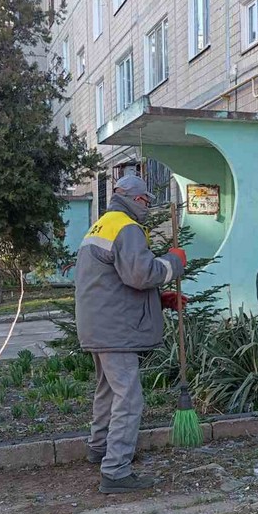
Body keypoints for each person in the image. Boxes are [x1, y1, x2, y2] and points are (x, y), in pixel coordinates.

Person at [75, 174, 186, 494]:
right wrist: (174, 263)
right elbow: (142, 273)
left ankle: (99, 449)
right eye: (147, 203)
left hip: (98, 325)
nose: (148, 209)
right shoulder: (128, 227)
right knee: (129, 396)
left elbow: (111, 281)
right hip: (115, 330)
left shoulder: (101, 226)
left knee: (107, 390)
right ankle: (116, 470)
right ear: (137, 200)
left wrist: (158, 300)